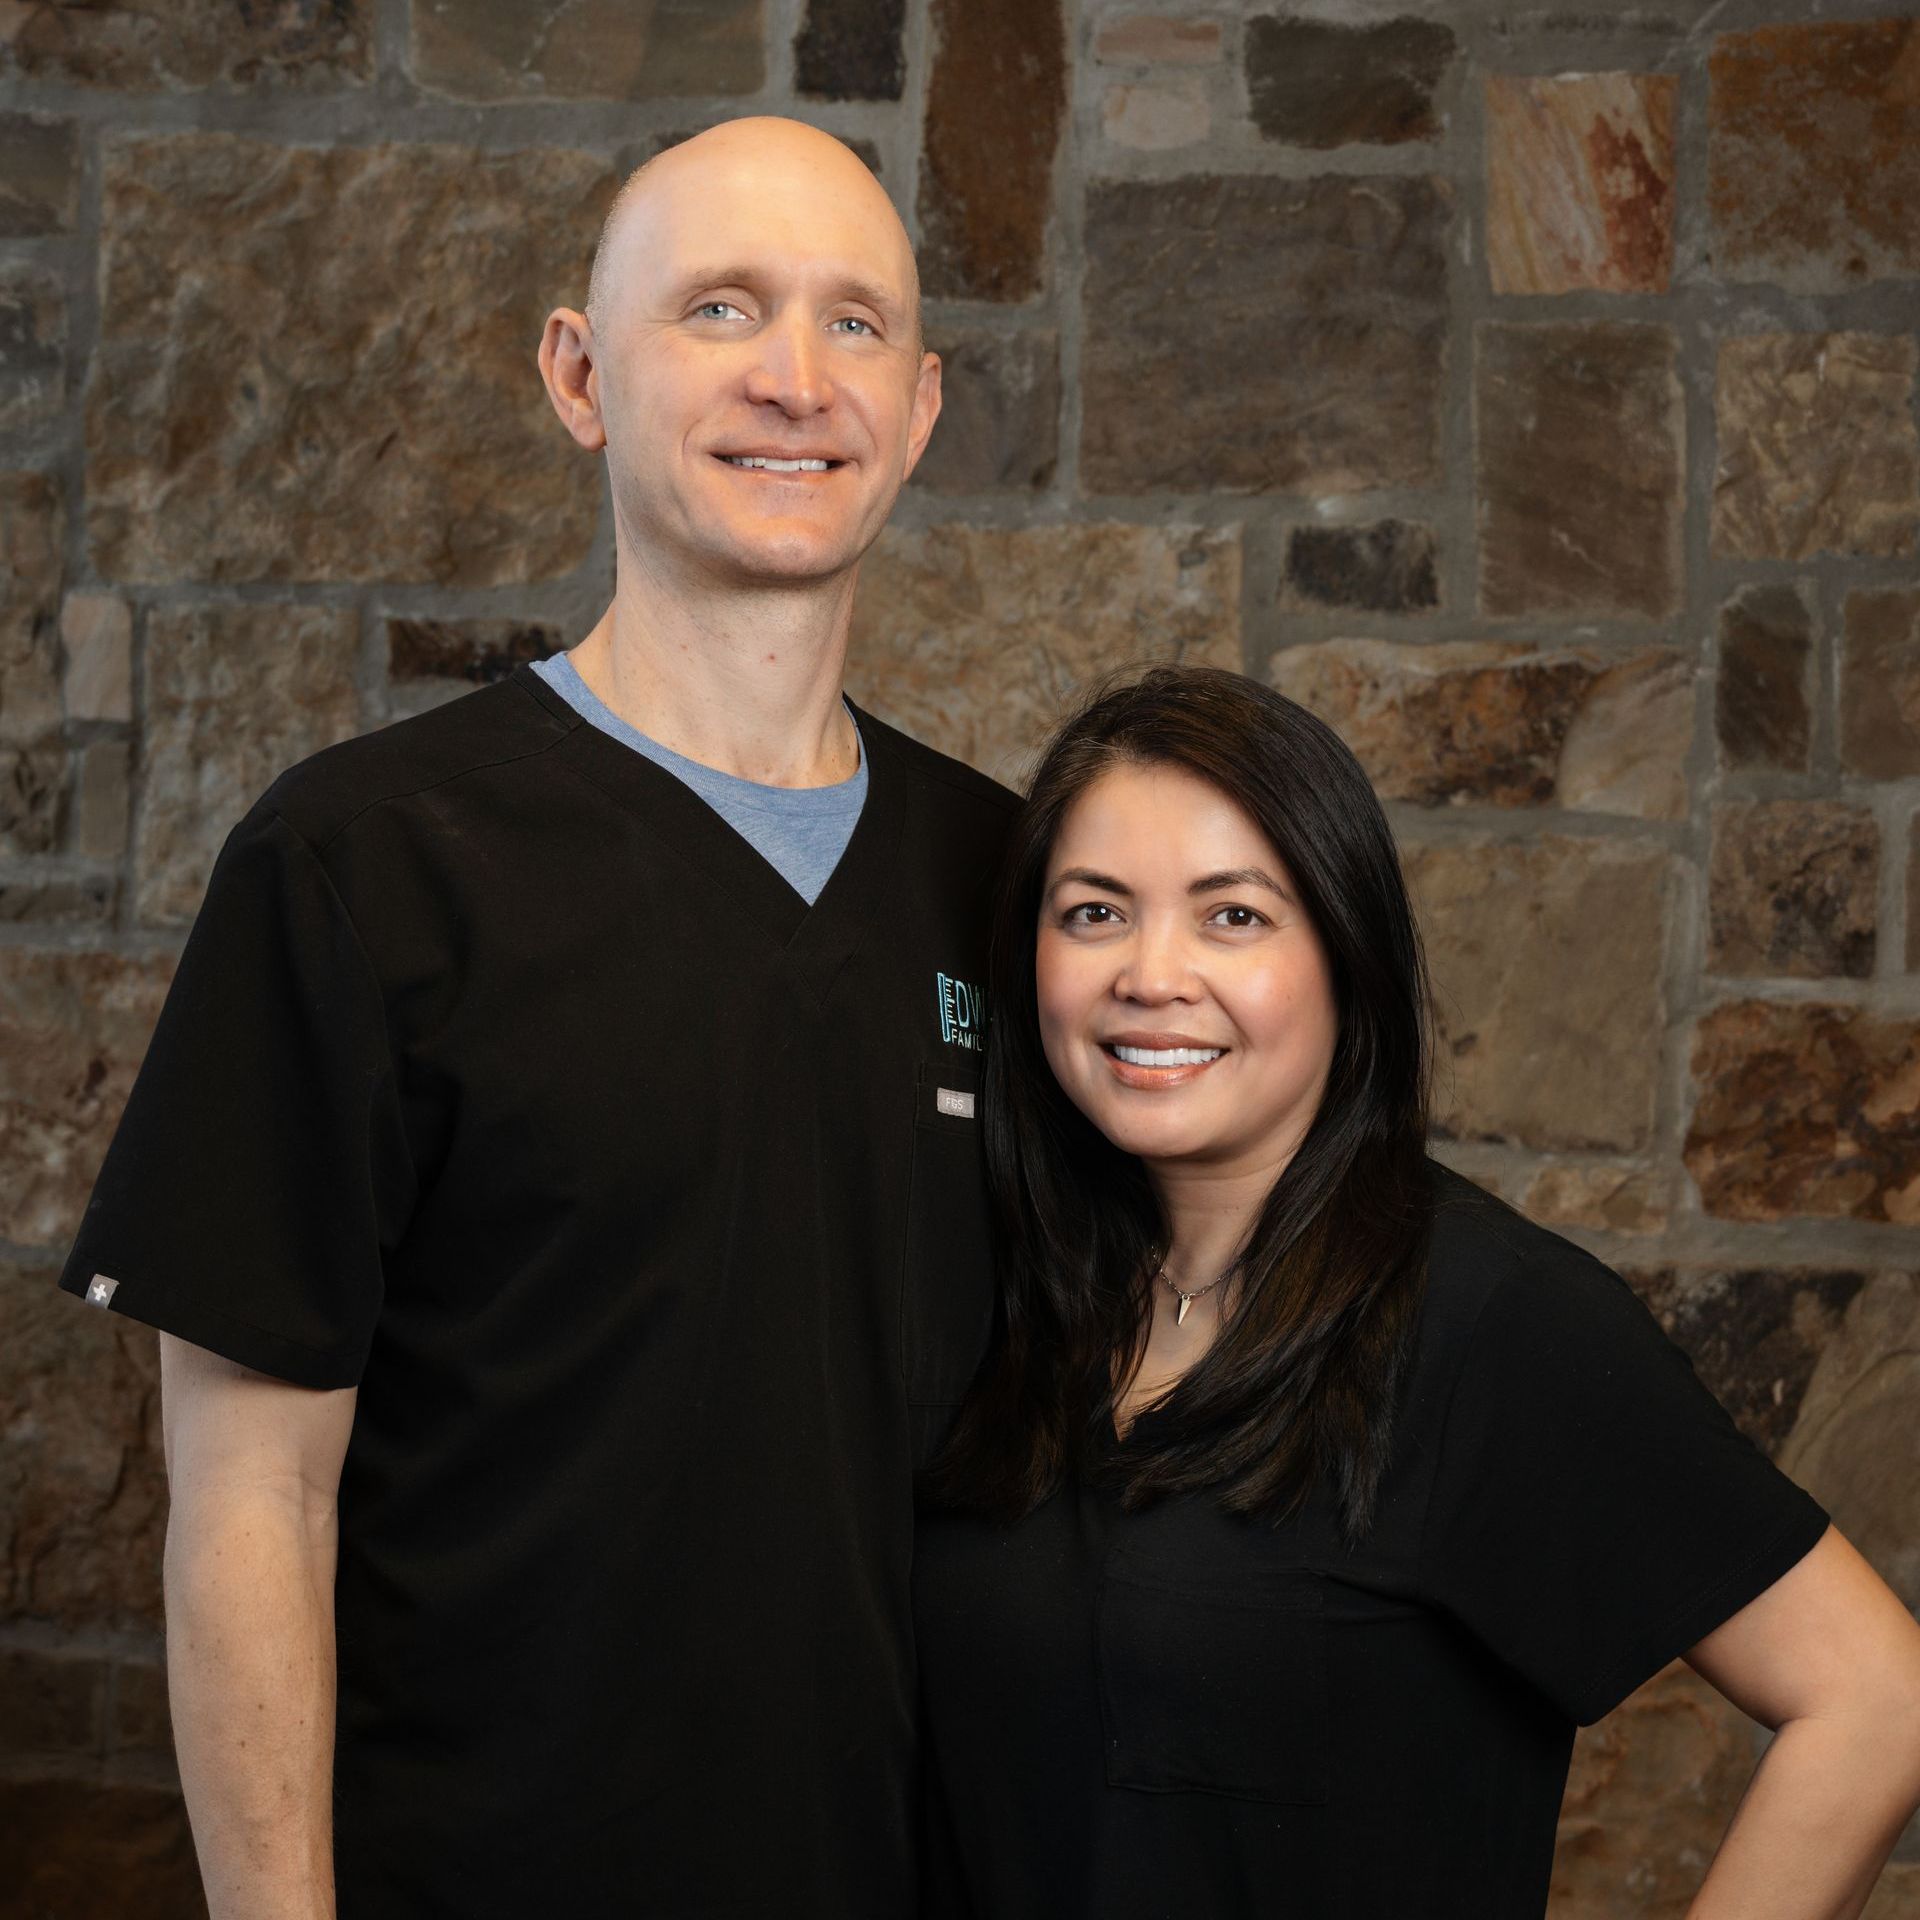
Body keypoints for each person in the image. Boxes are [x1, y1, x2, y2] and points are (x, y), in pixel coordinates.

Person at [58, 118, 1014, 1918]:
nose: (796, 382)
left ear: (927, 405)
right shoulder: (364, 864)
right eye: (721, 310)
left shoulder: (1012, 882)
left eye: (856, 325)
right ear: (579, 375)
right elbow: (254, 1507)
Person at [914, 665, 1920, 1919]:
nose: (1152, 973)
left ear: (1347, 956)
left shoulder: (1484, 1316)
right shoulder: (1006, 1296)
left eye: (1233, 916)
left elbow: (1874, 1696)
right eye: (1094, 912)